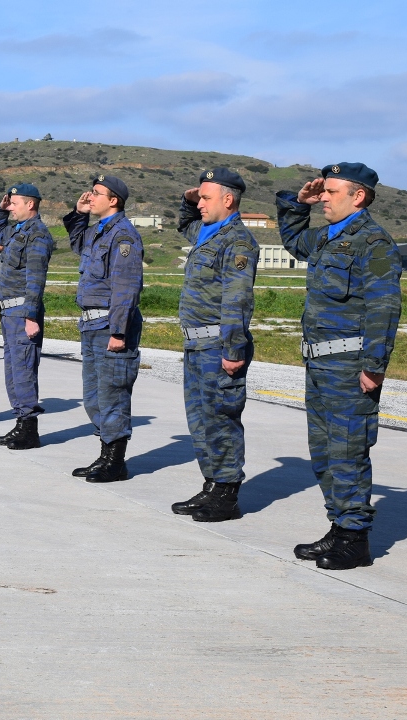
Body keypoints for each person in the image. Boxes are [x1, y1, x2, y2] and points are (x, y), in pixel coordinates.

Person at [277, 163, 402, 570]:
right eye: (323, 191)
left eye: (331, 191)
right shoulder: (329, 238)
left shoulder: (373, 241)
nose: (324, 197)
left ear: (358, 195)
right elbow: (295, 241)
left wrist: (375, 365)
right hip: (320, 363)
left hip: (350, 365)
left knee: (348, 451)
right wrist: (299, 204)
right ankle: (339, 526)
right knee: (325, 454)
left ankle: (356, 540)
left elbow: (385, 306)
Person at [170, 168, 259, 522]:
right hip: (196, 346)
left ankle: (226, 495)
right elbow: (184, 223)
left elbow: (237, 300)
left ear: (228, 200)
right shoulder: (207, 233)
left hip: (218, 346)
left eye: (207, 198)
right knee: (201, 421)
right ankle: (211, 485)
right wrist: (189, 200)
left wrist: (234, 350)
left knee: (221, 420)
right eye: (199, 198)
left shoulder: (237, 241)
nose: (200, 204)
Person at [62, 175, 144, 482]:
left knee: (112, 395)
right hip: (91, 323)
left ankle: (115, 461)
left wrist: (119, 332)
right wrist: (79, 213)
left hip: (110, 324)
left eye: (96, 193)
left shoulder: (124, 236)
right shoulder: (97, 232)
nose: (90, 196)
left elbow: (126, 287)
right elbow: (75, 241)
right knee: (94, 395)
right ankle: (105, 454)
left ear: (114, 200)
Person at [0, 183, 55, 450]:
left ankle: (29, 429)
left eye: (15, 203)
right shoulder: (17, 230)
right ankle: (20, 423)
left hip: (22, 311)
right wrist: (0, 210)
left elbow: (35, 278)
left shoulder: (37, 234)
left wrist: (31, 316)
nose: (11, 207)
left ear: (31, 204)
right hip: (9, 310)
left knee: (24, 371)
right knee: (13, 371)